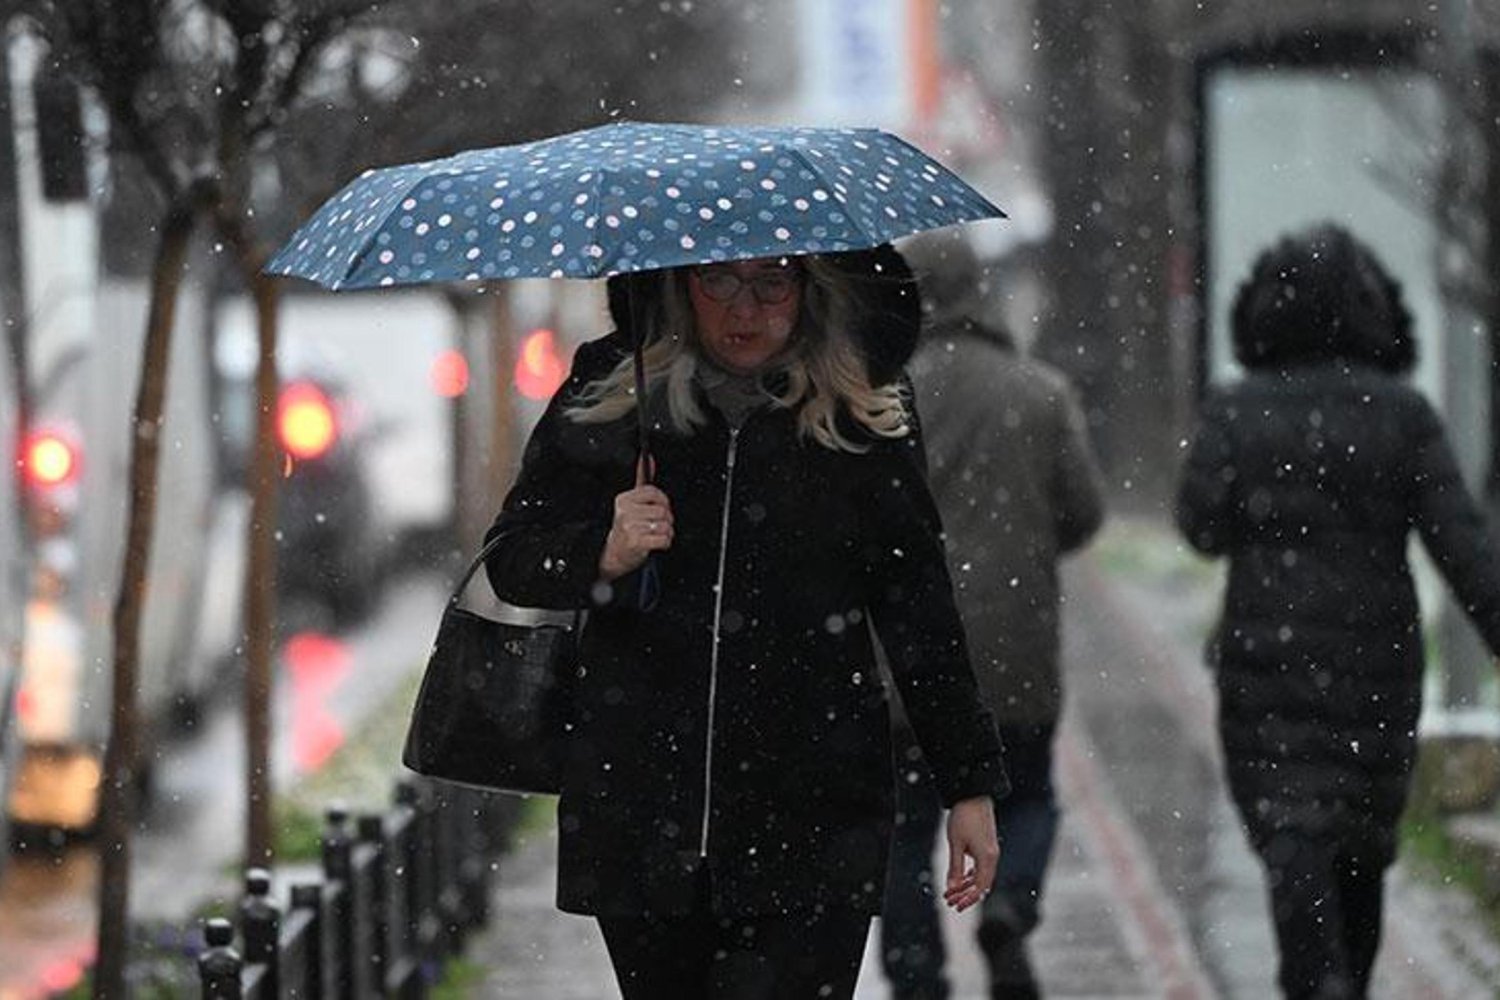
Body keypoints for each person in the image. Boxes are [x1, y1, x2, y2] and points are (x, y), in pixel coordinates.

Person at [482, 245, 1010, 1000]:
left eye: (772, 281)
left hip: (814, 821)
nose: (745, 307)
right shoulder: (613, 389)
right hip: (643, 819)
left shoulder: (863, 411)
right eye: (719, 279)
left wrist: (969, 784)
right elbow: (512, 557)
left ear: (811, 288)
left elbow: (918, 609)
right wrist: (603, 546)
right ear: (679, 283)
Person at [1175, 223, 1500, 999]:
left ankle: (1317, 980)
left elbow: (1201, 527)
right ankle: (1340, 979)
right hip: (1374, 673)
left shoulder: (1236, 410)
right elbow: (1463, 546)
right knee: (1360, 849)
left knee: (1294, 844)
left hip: (1266, 670)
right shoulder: (1403, 414)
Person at [880, 233, 1105, 1000]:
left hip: (905, 659)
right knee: (1030, 795)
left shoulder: (885, 396)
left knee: (903, 830)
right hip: (1014, 647)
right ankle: (1010, 903)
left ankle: (918, 979)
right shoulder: (1039, 393)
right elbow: (1081, 513)